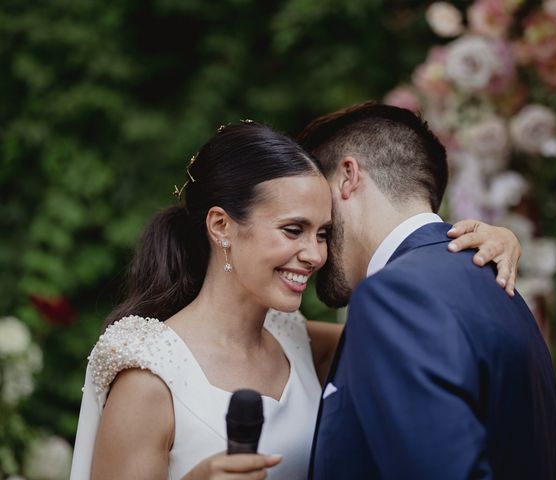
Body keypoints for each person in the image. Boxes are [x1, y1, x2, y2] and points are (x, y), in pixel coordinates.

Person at [70, 121, 522, 480]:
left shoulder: (298, 340)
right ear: (221, 226)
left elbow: (422, 345)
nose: (315, 254)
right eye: (293, 230)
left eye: (324, 233)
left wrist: (475, 255)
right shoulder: (149, 376)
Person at [299, 103, 556, 480]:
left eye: (314, 202)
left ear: (347, 177)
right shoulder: (504, 292)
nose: (315, 239)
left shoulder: (393, 296)